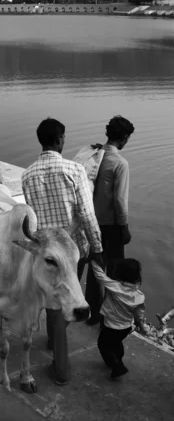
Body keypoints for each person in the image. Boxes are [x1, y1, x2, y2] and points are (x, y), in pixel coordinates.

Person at [21, 117, 103, 386]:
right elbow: (87, 215)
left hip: (45, 255)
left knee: (54, 300)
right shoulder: (75, 169)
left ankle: (54, 343)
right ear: (59, 140)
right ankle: (62, 370)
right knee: (62, 304)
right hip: (70, 251)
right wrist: (98, 248)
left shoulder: (27, 174)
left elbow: (32, 218)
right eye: (63, 138)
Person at [85, 115, 135, 325]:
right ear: (123, 137)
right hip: (111, 226)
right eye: (128, 138)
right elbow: (119, 201)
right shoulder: (120, 163)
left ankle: (92, 313)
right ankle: (111, 315)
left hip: (91, 223)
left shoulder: (93, 155)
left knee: (95, 268)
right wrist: (124, 228)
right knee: (114, 271)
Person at [91, 259, 148, 379]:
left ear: (119, 273)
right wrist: (140, 325)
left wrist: (93, 261)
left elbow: (99, 275)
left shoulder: (114, 286)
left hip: (110, 326)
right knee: (116, 343)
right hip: (125, 328)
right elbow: (139, 315)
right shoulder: (139, 296)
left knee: (103, 345)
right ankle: (119, 358)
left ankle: (116, 365)